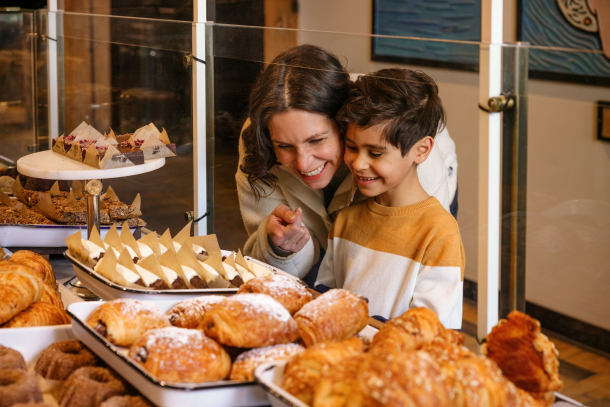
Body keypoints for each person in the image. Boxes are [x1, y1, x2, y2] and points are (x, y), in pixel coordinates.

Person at [236, 44, 458, 285]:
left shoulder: (411, 159)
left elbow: (424, 282)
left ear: (344, 122)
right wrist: (282, 247)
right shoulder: (258, 142)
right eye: (285, 146)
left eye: (317, 140)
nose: (303, 162)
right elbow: (274, 273)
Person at [315, 68, 465, 329]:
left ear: (421, 150)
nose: (358, 163)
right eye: (352, 147)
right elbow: (324, 301)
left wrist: (356, 323)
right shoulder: (345, 220)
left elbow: (432, 335)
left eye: (375, 153)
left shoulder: (439, 233)